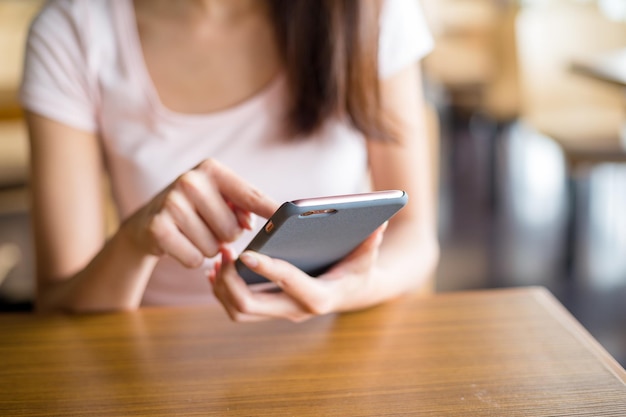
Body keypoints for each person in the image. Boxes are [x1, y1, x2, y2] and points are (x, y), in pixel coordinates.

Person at [20, 0, 439, 320]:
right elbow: (59, 306)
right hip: (160, 365)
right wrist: (134, 242)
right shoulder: (74, 32)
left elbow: (415, 233)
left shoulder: (370, 10)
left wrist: (344, 291)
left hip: (342, 343)